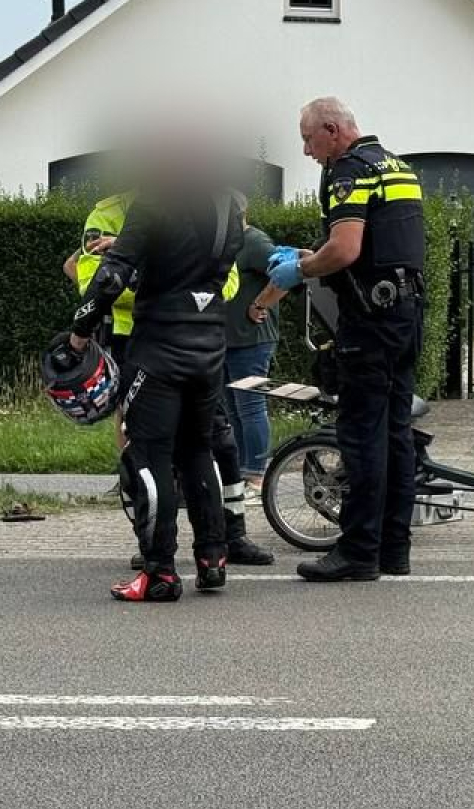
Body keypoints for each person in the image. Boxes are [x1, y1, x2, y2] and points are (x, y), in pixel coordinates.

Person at [62, 162, 245, 601]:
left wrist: (79, 333)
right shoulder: (229, 208)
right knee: (198, 450)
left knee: (148, 454)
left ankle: (159, 571)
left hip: (159, 346)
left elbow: (111, 277)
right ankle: (213, 560)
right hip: (210, 345)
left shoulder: (152, 203)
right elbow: (192, 275)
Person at [269, 96, 425, 581]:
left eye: (308, 139)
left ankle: (358, 552)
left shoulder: (349, 172)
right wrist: (315, 255)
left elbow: (347, 248)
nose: (307, 151)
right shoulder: (397, 167)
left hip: (370, 322)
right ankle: (393, 550)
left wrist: (301, 268)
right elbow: (377, 246)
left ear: (333, 130)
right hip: (406, 314)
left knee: (362, 437)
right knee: (397, 433)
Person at [224, 212, 282, 493]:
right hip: (225, 340)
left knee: (250, 407)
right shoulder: (224, 242)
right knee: (232, 409)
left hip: (251, 340)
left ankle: (257, 477)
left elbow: (285, 273)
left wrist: (261, 304)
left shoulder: (255, 242)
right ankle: (240, 472)